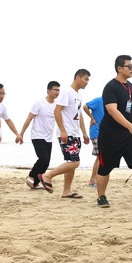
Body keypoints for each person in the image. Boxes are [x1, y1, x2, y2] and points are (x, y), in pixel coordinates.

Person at [94, 55, 132, 208]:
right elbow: (112, 110)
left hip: (130, 133)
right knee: (105, 166)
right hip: (111, 134)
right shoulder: (110, 87)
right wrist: (130, 126)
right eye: (129, 66)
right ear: (119, 68)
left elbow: (131, 107)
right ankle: (101, 197)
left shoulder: (130, 86)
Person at [39, 69, 91, 198]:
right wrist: (63, 130)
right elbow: (57, 111)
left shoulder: (78, 95)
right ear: (78, 78)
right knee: (75, 162)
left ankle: (67, 191)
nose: (87, 82)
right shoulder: (66, 92)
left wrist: (84, 133)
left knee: (70, 163)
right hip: (67, 133)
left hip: (75, 133)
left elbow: (79, 115)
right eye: (86, 79)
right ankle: (47, 175)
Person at [20, 81, 60, 192]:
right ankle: (31, 175)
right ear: (48, 91)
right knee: (43, 159)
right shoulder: (39, 103)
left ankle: (35, 183)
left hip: (49, 137)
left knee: (46, 162)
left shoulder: (57, 105)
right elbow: (29, 118)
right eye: (55, 90)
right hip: (37, 135)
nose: (57, 92)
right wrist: (21, 134)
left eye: (58, 90)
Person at [83, 95, 106, 188]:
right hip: (96, 132)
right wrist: (92, 118)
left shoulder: (110, 103)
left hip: (103, 133)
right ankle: (93, 179)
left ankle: (94, 179)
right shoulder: (99, 100)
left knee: (100, 157)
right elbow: (85, 106)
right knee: (100, 156)